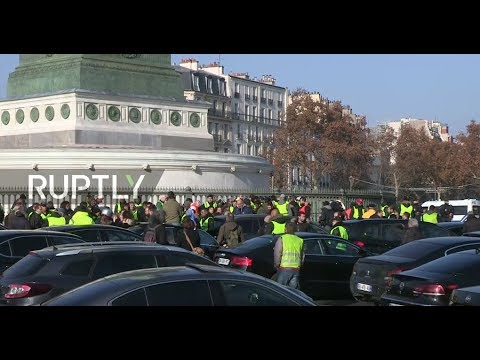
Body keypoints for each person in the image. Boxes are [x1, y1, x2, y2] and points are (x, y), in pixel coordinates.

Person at [274, 222, 304, 289]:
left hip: (285, 267)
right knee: (293, 291)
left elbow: (277, 253)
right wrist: (300, 265)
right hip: (296, 268)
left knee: (280, 290)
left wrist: (276, 264)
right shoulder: (300, 240)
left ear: (285, 229)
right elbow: (302, 256)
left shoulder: (282, 238)